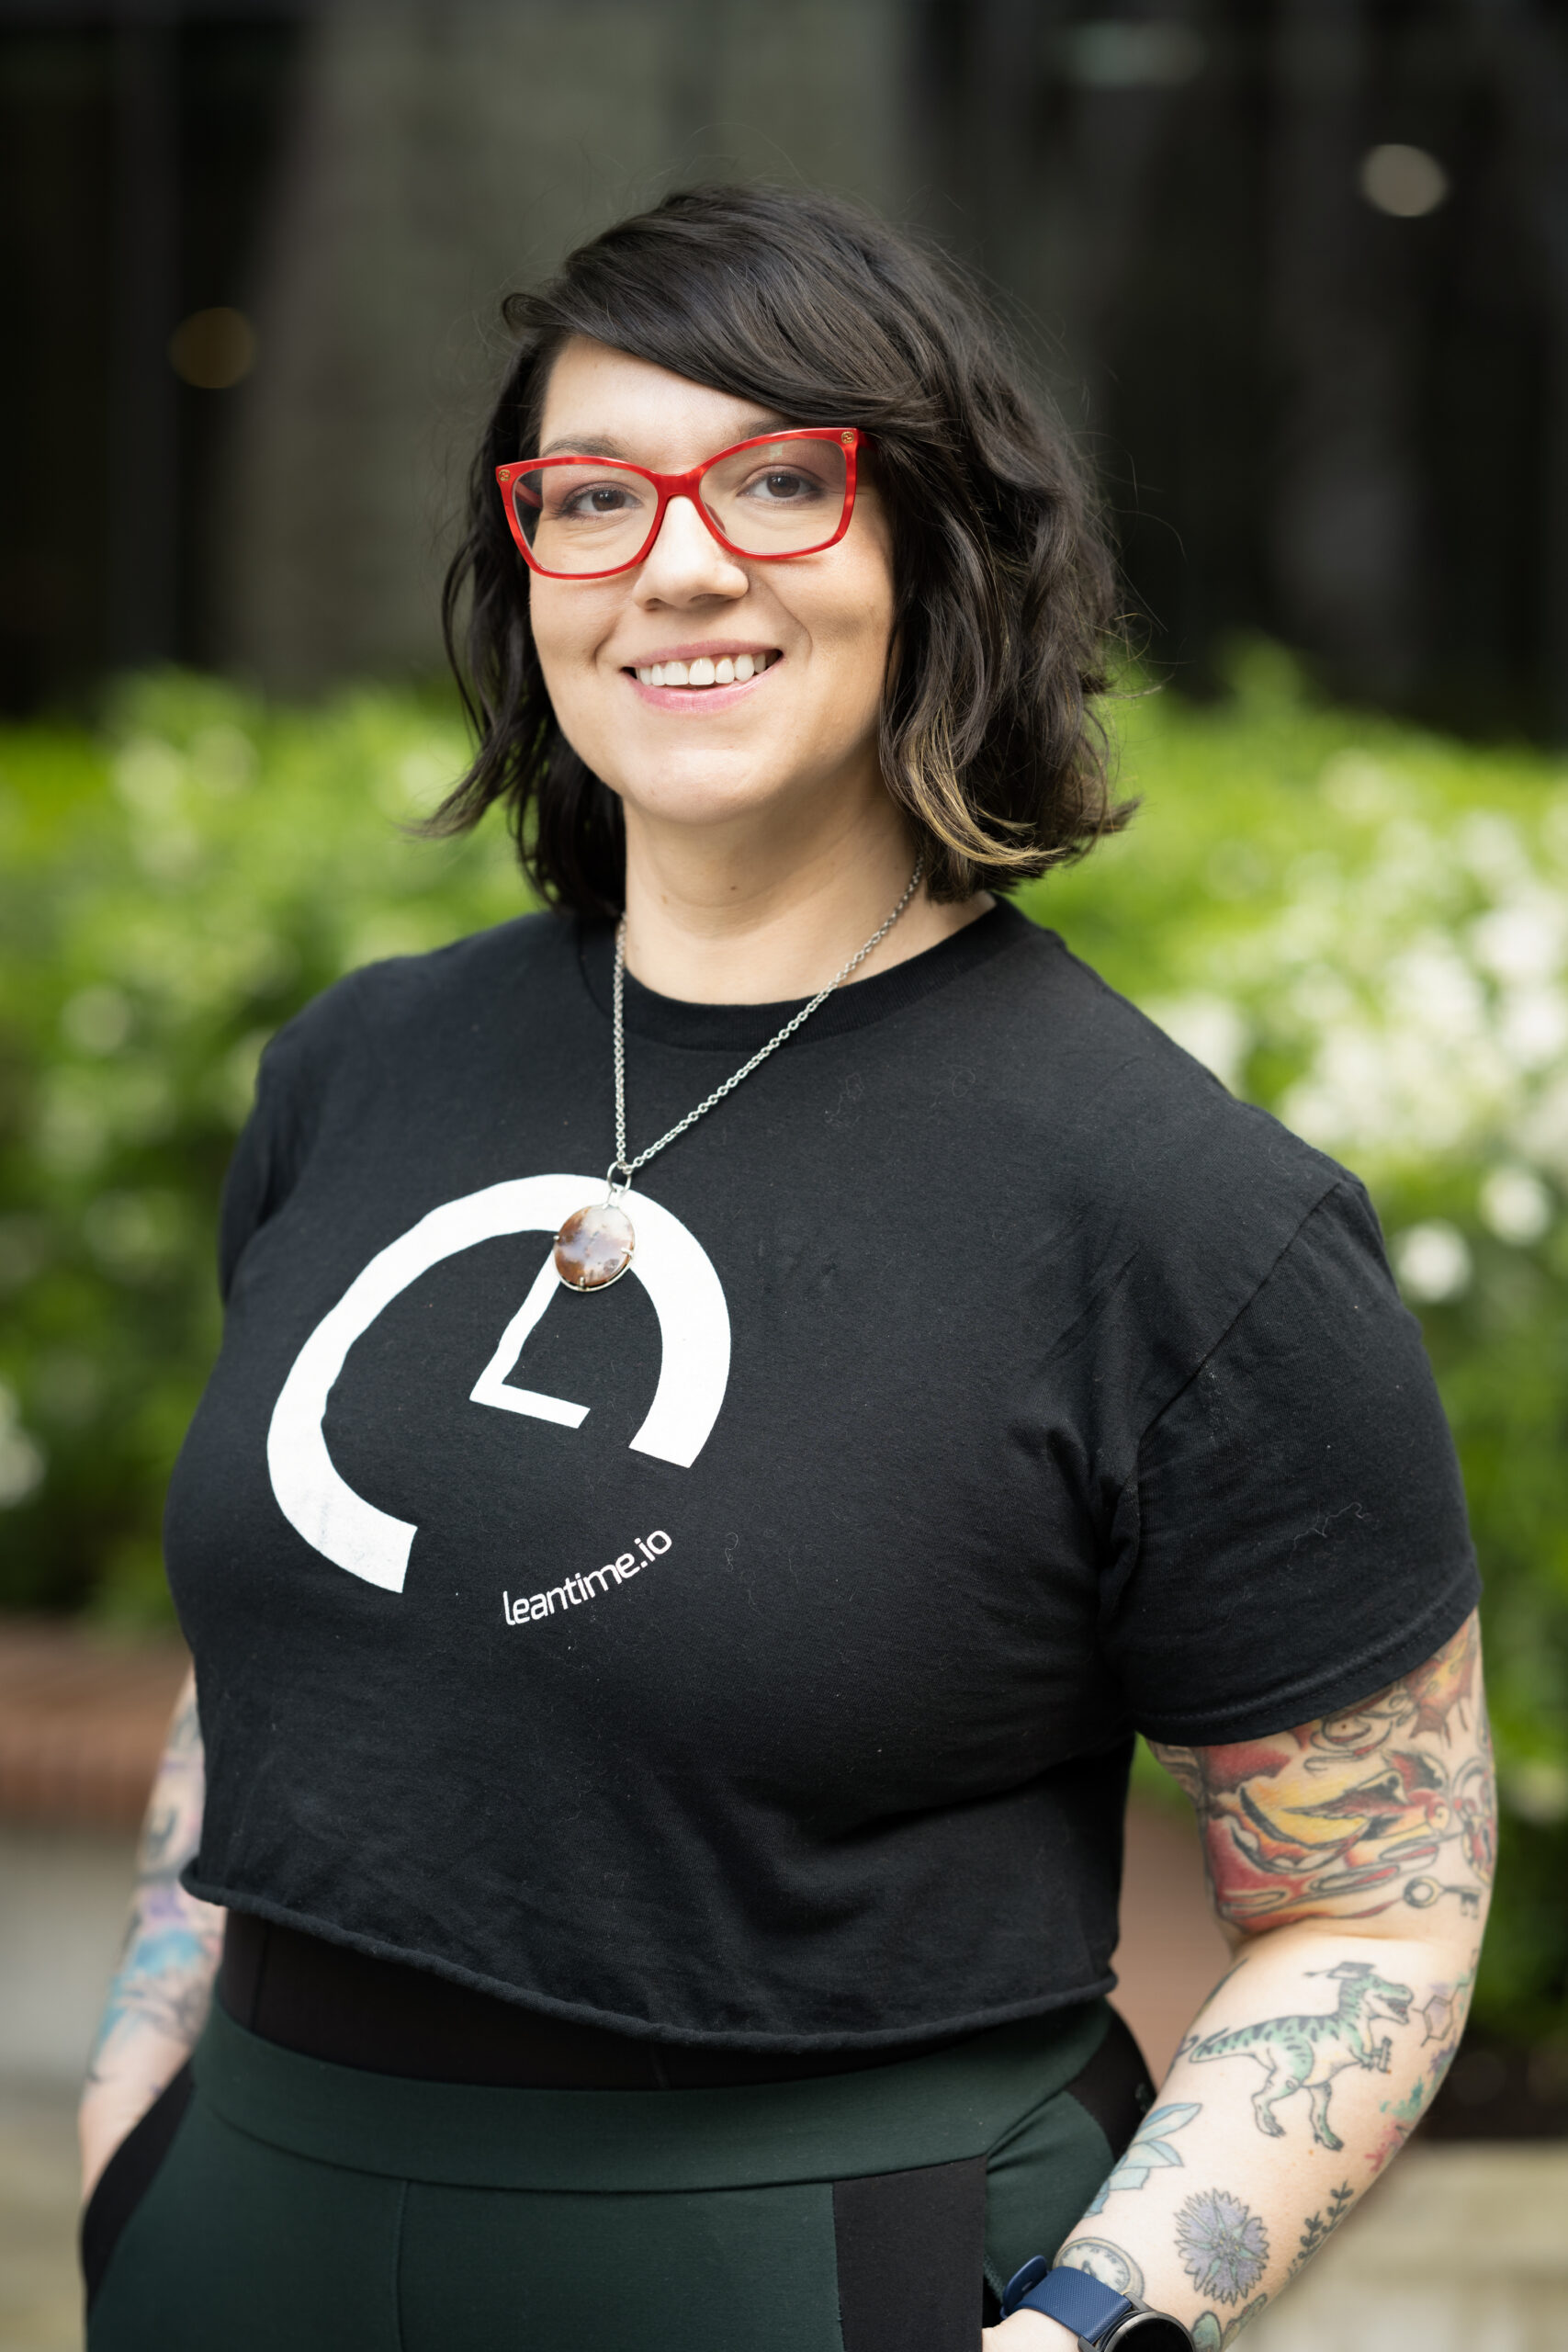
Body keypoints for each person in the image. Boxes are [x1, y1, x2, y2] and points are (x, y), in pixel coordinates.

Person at [79, 185, 1492, 2352]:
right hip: (249, 2221)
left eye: (773, 480)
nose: (676, 562)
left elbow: (1372, 1905)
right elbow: (298, 1624)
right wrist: (140, 2125)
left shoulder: (1180, 1215)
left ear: (935, 546)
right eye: (589, 496)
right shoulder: (362, 1068)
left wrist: (1084, 2327)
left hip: (812, 2252)